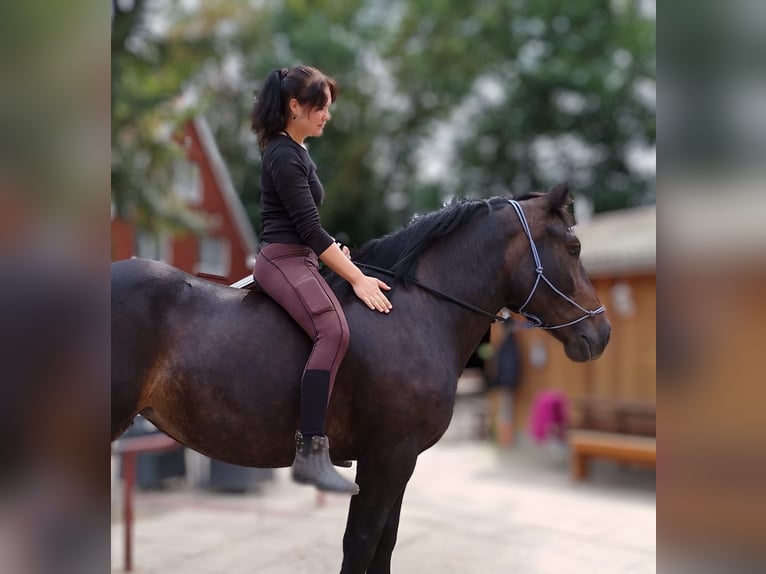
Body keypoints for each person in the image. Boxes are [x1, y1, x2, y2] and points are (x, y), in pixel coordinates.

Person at [251, 66, 392, 494]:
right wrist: (359, 278)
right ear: (295, 106)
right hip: (282, 260)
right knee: (333, 329)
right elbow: (309, 231)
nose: (328, 115)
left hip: (302, 258)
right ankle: (310, 451)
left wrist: (331, 257)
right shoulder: (281, 154)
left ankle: (335, 429)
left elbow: (311, 232)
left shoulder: (298, 151)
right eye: (322, 107)